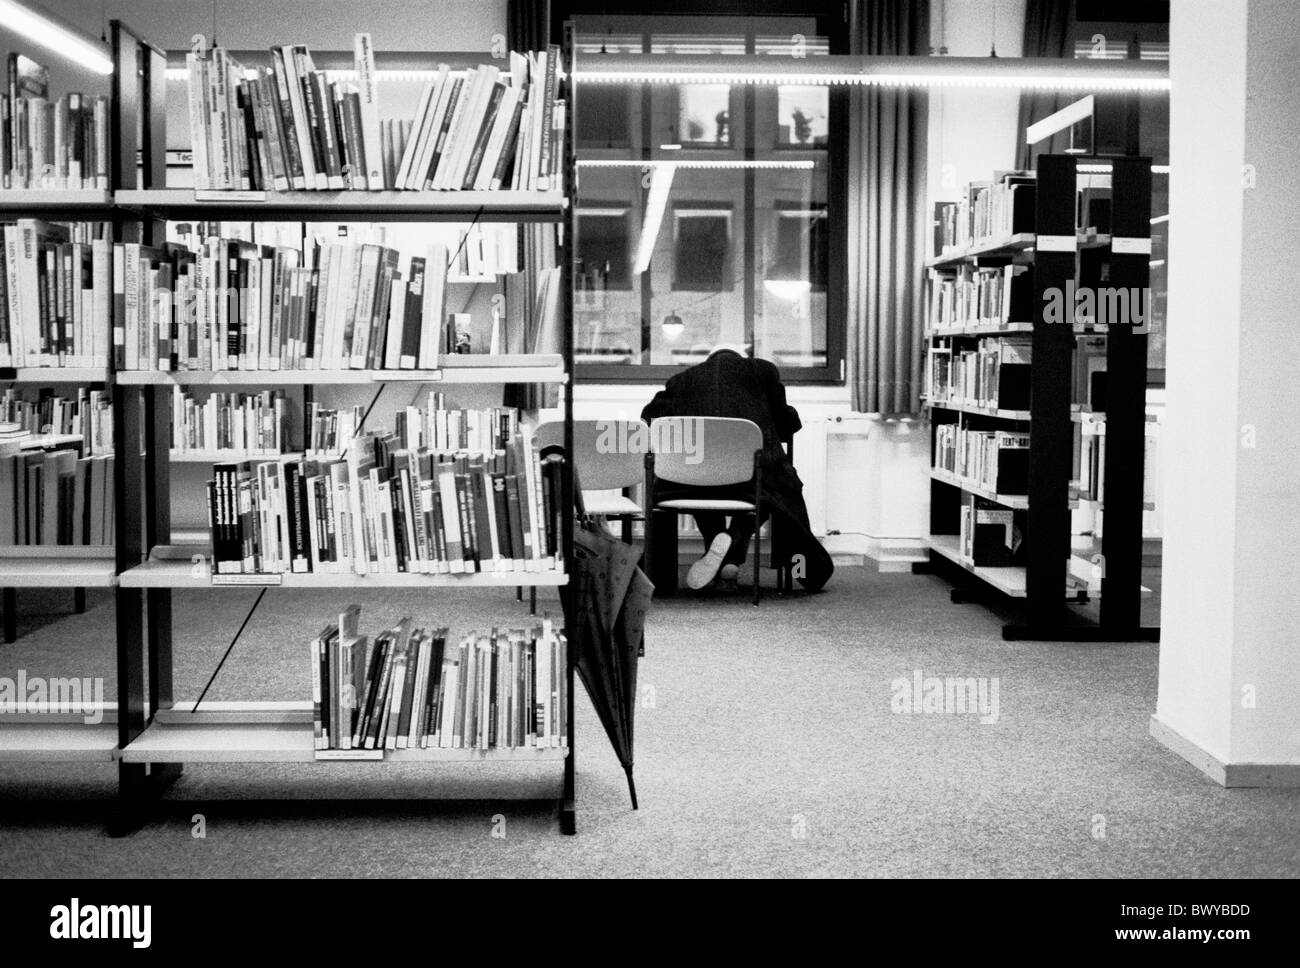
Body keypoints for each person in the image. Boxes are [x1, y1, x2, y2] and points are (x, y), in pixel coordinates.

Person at [641, 344, 834, 593]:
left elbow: (649, 418)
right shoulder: (762, 370)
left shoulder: (681, 380)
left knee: (700, 483)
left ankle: (712, 549)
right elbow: (787, 424)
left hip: (691, 478)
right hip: (749, 479)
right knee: (772, 491)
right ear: (741, 358)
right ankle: (733, 553)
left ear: (708, 360)